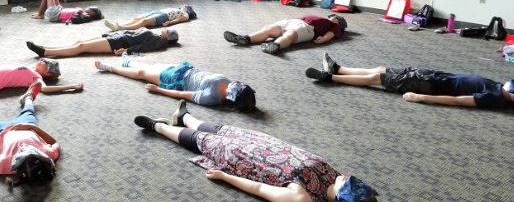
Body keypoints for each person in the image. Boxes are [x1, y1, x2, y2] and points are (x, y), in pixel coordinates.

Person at [133, 101, 378, 202]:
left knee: (205, 141)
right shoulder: (336, 177)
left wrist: (224, 176)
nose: (347, 176)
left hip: (246, 160)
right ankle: (184, 116)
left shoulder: (302, 199)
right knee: (223, 129)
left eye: (349, 183)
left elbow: (261, 189)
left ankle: (158, 126)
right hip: (266, 144)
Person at [305, 53, 514, 109]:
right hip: (432, 75)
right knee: (381, 69)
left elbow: (459, 100)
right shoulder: (498, 87)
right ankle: (339, 69)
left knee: (376, 78)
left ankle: (330, 77)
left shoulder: (494, 96)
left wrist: (420, 97)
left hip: (428, 85)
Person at [94, 57, 256, 112]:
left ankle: (111, 68)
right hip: (184, 69)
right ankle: (128, 61)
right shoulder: (229, 83)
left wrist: (158, 90)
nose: (232, 85)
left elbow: (182, 95)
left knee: (141, 74)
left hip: (175, 81)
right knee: (151, 67)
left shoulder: (211, 97)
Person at [223, 14, 347, 54]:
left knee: (290, 35)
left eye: (334, 16)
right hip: (293, 21)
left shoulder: (336, 26)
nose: (331, 16)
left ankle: (275, 45)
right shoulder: (325, 19)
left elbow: (331, 34)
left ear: (338, 21)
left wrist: (324, 39)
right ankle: (245, 38)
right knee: (269, 29)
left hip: (307, 28)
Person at [25, 28, 179, 57]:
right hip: (117, 37)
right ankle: (46, 48)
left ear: (168, 37)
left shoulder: (158, 41)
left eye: (169, 31)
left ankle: (45, 52)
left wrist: (127, 51)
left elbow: (142, 47)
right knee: (80, 42)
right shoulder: (156, 35)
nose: (167, 28)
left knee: (81, 47)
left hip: (119, 42)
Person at [103, 5, 196, 31]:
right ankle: (118, 25)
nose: (182, 6)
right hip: (159, 12)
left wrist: (169, 23)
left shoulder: (186, 15)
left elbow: (179, 20)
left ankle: (121, 28)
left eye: (184, 6)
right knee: (137, 18)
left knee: (144, 21)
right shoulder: (177, 9)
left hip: (164, 17)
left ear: (188, 9)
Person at [31, 0, 103, 23]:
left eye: (89, 8)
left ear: (92, 13)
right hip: (60, 10)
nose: (87, 7)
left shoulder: (84, 15)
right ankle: (40, 14)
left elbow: (74, 19)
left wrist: (81, 12)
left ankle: (40, 14)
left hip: (55, 14)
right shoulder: (84, 13)